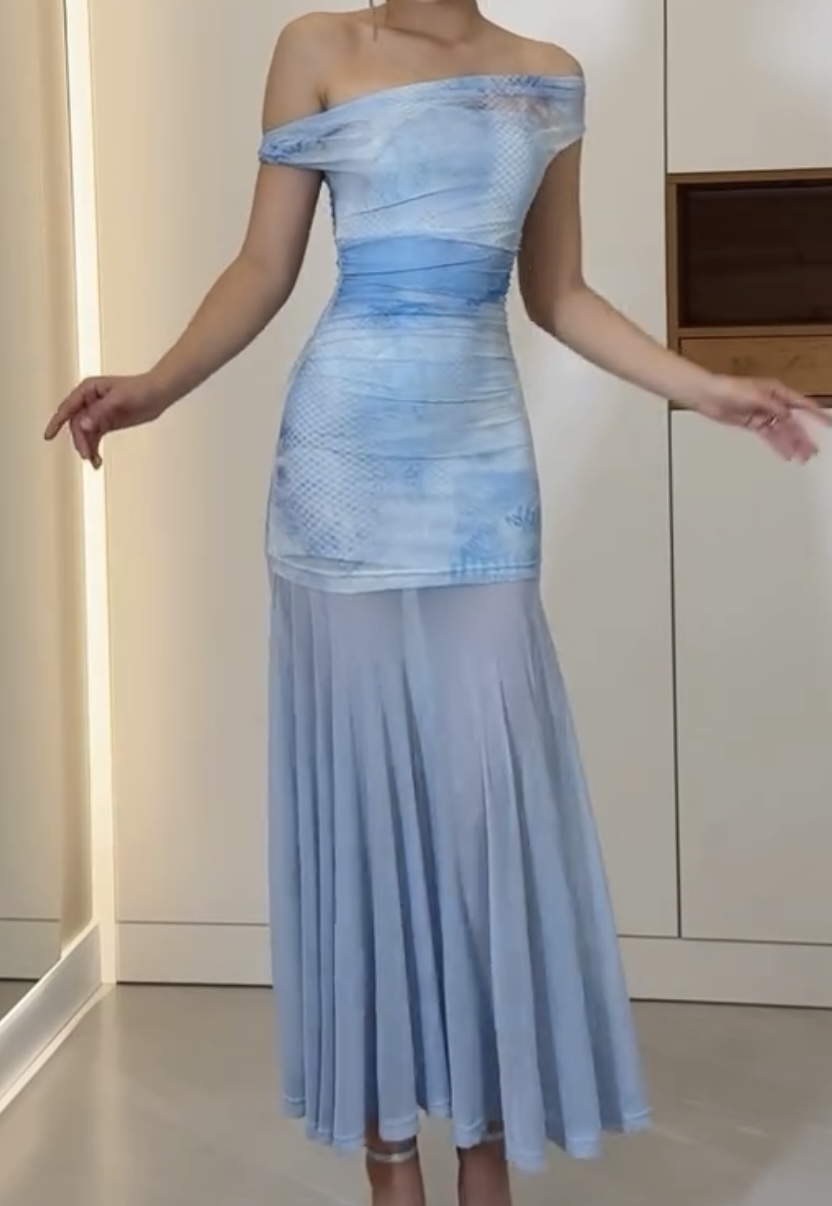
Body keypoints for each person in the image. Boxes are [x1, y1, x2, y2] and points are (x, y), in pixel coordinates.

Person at [46, 2, 828, 1204]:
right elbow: (263, 267)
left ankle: (484, 1150)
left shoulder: (547, 74)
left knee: (486, 817)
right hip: (341, 462)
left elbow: (558, 294)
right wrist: (155, 387)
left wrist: (703, 388)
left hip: (479, 474)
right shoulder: (317, 48)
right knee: (361, 803)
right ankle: (388, 1157)